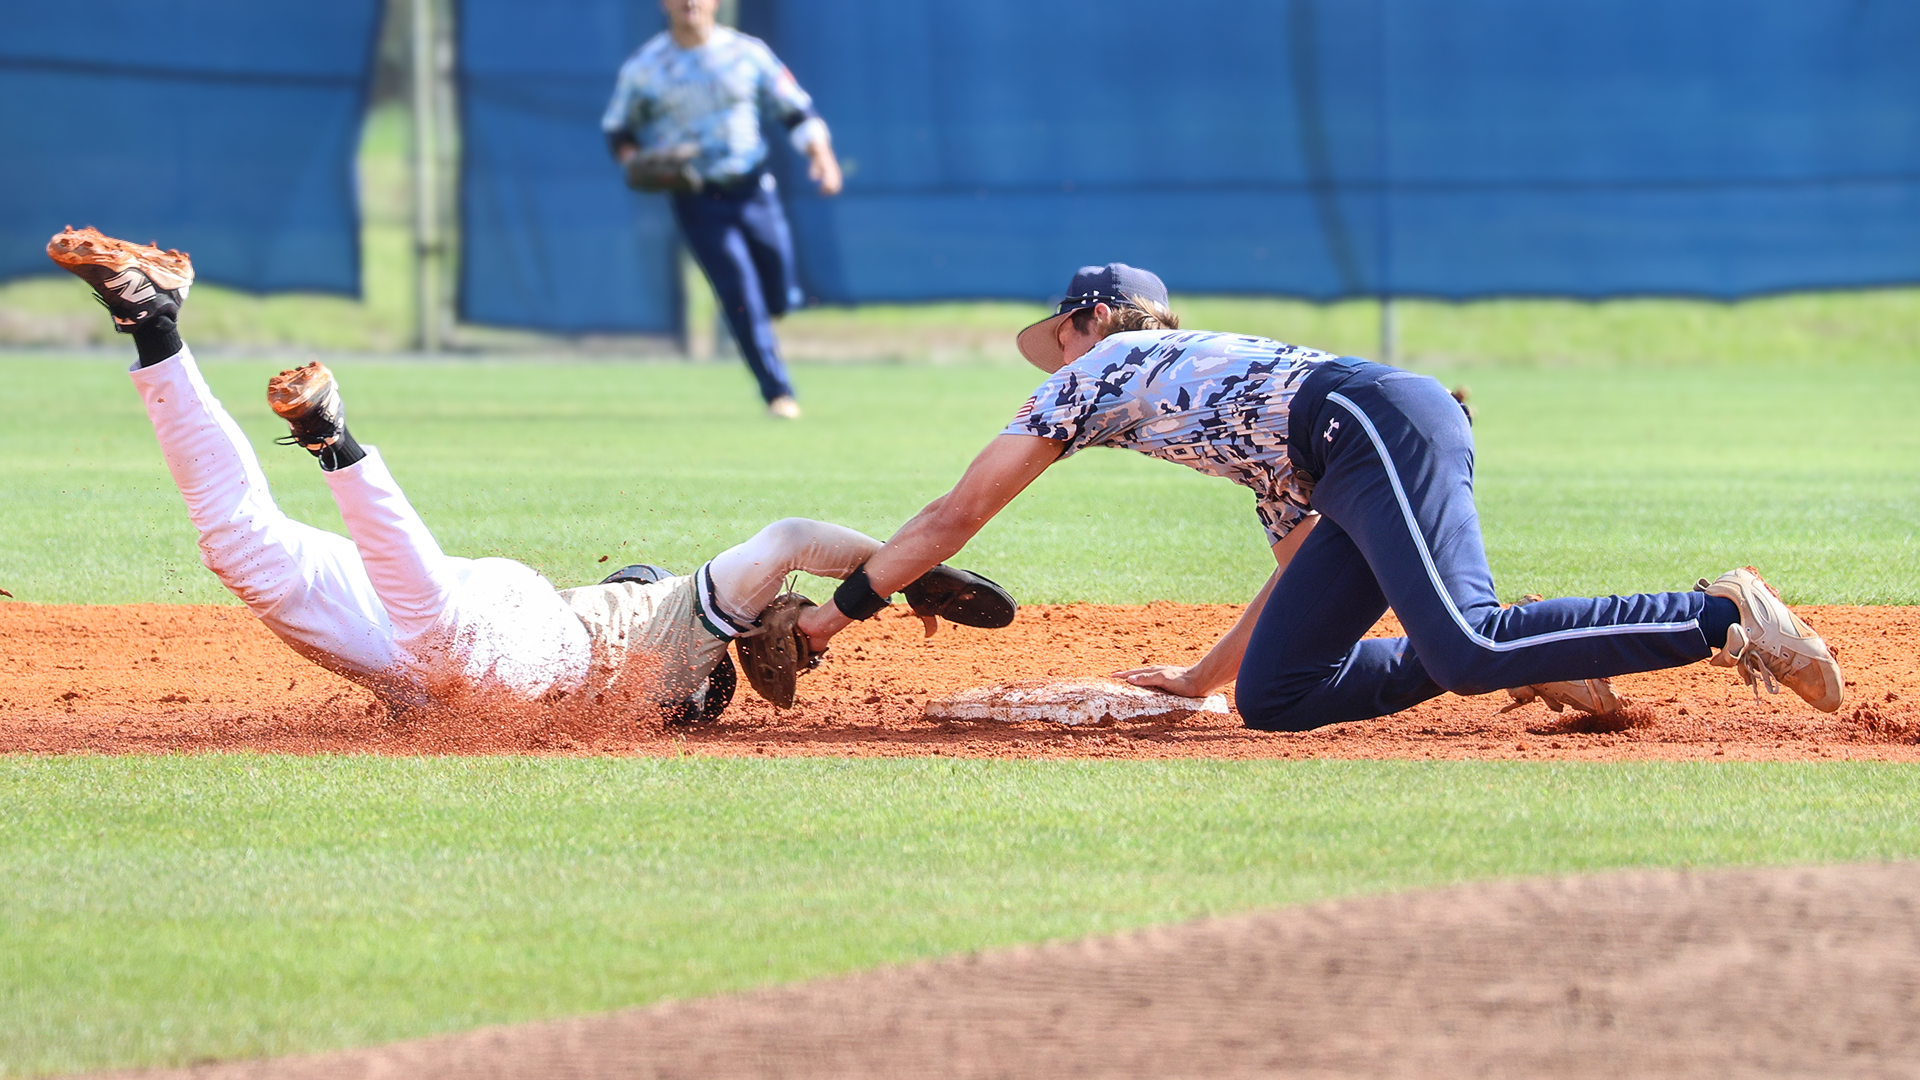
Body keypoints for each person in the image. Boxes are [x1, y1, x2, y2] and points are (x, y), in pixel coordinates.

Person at [793, 262, 1846, 729]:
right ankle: (1551, 651)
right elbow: (1303, 579)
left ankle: (1723, 617)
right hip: (1344, 447)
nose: (1050, 357)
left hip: (1372, 422)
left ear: (1098, 321)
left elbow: (954, 517)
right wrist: (1203, 678)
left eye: (1059, 332)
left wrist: (831, 621)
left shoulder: (1094, 371)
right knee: (1282, 693)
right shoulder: (1224, 408)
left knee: (1471, 648)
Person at [46, 227, 1008, 722]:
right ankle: (338, 445)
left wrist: (886, 584)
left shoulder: (684, 634)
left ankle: (154, 322)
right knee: (439, 634)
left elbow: (790, 542)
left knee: (240, 548)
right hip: (512, 640)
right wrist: (894, 577)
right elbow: (790, 542)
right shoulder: (672, 627)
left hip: (426, 654)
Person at [602, 0, 842, 420]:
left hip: (753, 189)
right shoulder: (646, 66)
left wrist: (821, 155)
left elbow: (794, 109)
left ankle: (776, 309)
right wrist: (633, 162)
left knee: (778, 293)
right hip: (695, 195)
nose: (690, 2)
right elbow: (618, 128)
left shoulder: (746, 53)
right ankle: (777, 392)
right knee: (738, 291)